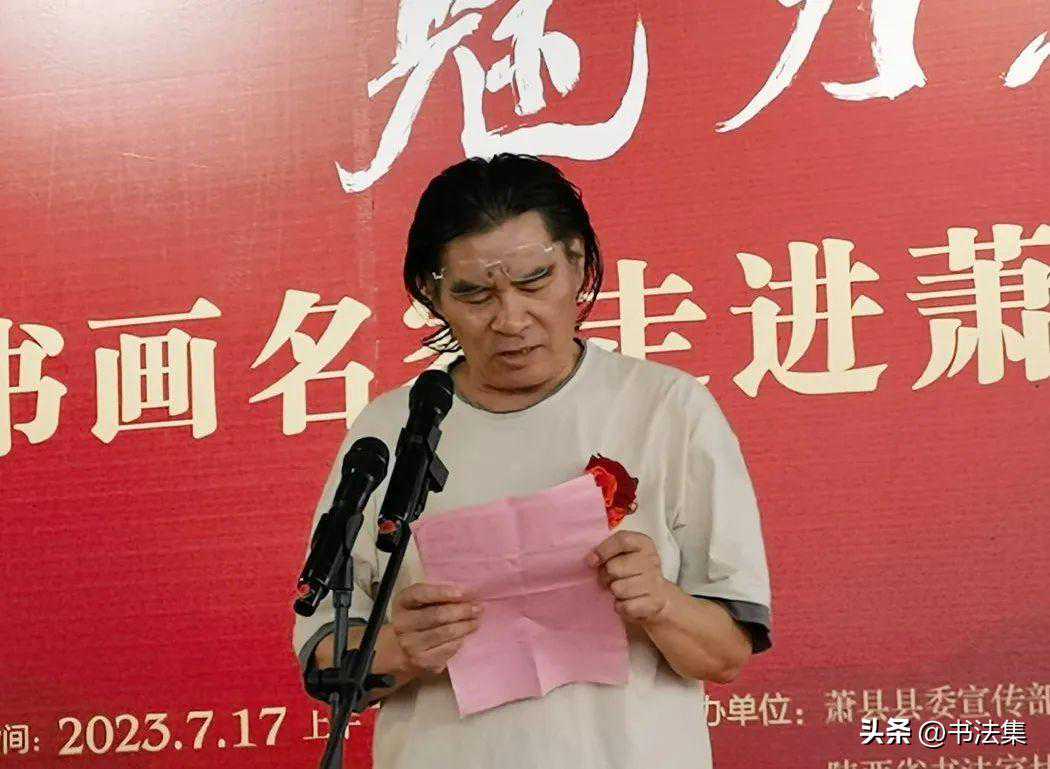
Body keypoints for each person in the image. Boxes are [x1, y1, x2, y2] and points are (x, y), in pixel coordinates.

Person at [293, 153, 772, 769]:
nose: (510, 318)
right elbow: (323, 653)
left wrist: (658, 602)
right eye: (474, 293)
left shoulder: (666, 409)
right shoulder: (391, 430)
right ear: (431, 294)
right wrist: (400, 649)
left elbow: (727, 654)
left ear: (577, 263)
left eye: (533, 281)